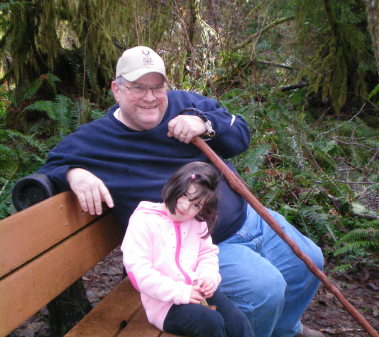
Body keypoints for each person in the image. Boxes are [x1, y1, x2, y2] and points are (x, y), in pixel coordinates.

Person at [37, 45, 325, 337]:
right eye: (137, 87)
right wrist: (74, 173)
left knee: (310, 261)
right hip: (201, 247)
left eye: (157, 87)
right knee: (265, 289)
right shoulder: (96, 140)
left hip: (250, 218)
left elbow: (241, 133)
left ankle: (285, 329)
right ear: (116, 89)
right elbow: (47, 170)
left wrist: (205, 124)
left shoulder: (184, 103)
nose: (150, 97)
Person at [121, 161, 254, 337]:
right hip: (164, 303)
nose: (185, 207)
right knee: (211, 323)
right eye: (184, 195)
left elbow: (206, 254)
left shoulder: (197, 222)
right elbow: (139, 273)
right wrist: (181, 292)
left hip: (197, 291)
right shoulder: (144, 220)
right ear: (174, 186)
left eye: (196, 205)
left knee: (237, 322)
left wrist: (208, 277)